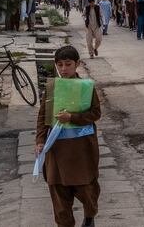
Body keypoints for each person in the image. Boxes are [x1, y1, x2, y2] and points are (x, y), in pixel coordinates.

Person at [35, 45, 101, 227]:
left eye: (68, 64)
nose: (64, 69)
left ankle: (89, 217)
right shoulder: (52, 88)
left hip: (82, 149)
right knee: (58, 191)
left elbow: (96, 113)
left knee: (87, 188)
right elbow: (43, 117)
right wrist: (40, 141)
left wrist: (72, 117)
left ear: (77, 64)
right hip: (56, 149)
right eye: (60, 65)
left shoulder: (86, 87)